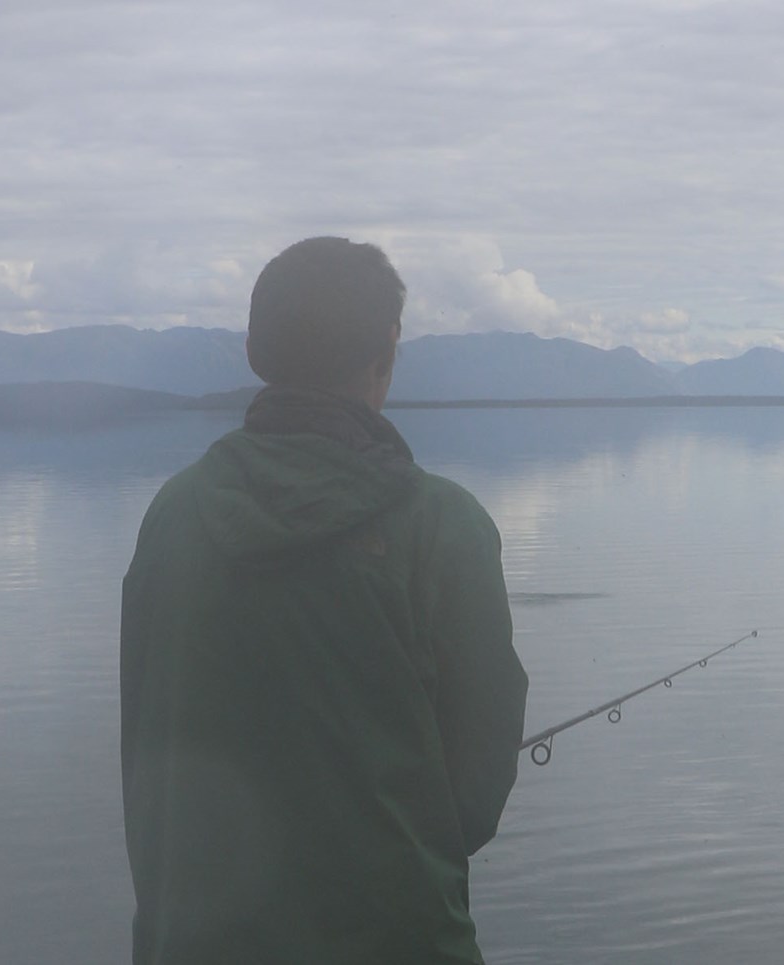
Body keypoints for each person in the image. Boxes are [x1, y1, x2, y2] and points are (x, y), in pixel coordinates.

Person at [120, 236, 529, 964]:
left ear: (252, 350)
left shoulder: (172, 516)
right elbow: (474, 788)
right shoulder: (443, 528)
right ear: (387, 354)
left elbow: (146, 739)